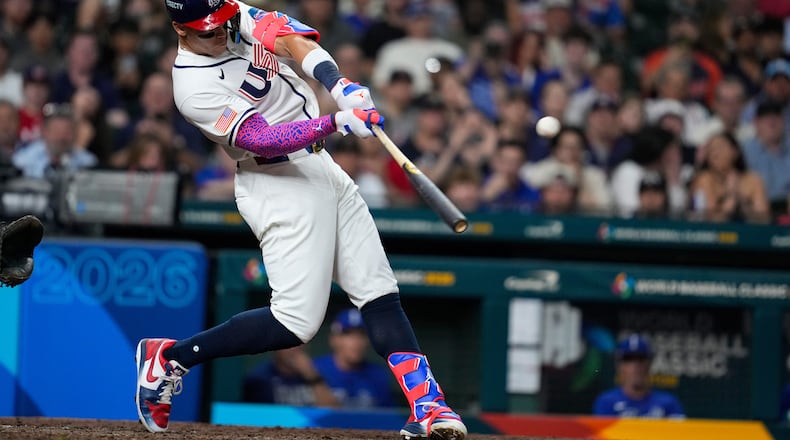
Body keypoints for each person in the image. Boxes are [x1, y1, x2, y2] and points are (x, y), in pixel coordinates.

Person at [134, 2, 467, 440]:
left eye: (224, 23)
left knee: (377, 289)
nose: (222, 33)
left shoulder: (232, 12)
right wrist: (338, 121)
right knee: (296, 322)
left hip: (320, 166)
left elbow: (291, 38)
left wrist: (339, 84)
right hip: (275, 181)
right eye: (208, 31)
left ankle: (428, 406)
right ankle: (170, 357)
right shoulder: (191, 86)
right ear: (180, 28)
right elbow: (261, 139)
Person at [313, 308, 396, 408]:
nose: (356, 342)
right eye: (348, 334)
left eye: (362, 335)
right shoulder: (315, 369)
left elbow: (388, 419)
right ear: (333, 339)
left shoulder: (379, 375)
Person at [593, 334, 685, 418]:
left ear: (650, 363)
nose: (635, 365)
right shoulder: (607, 402)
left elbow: (679, 435)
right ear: (619, 365)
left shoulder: (668, 403)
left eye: (640, 359)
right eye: (628, 359)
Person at [243, 345, 340, 407]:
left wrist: (312, 376)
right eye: (288, 344)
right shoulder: (260, 378)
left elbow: (331, 412)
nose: (294, 349)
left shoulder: (317, 374)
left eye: (299, 343)